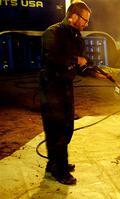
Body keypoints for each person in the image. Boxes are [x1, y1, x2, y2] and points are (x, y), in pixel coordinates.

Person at [39, 1, 91, 185]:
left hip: (66, 87)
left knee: (68, 127)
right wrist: (75, 59)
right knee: (57, 130)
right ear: (74, 16)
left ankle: (55, 163)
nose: (86, 24)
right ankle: (59, 170)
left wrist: (90, 67)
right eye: (84, 19)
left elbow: (81, 60)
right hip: (51, 87)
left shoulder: (76, 35)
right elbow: (52, 58)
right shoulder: (52, 33)